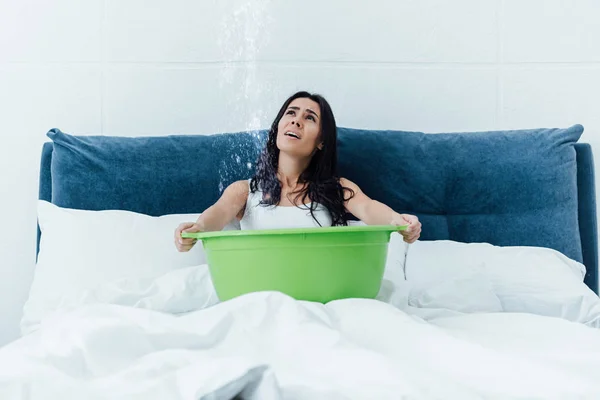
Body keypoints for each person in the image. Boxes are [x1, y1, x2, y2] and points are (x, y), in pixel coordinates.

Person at [175, 91, 421, 252]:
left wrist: (400, 222)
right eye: (290, 113)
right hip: (264, 296)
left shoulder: (339, 188)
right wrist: (196, 230)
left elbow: (369, 209)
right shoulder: (244, 191)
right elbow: (216, 215)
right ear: (279, 125)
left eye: (310, 118)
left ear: (321, 141)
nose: (296, 121)